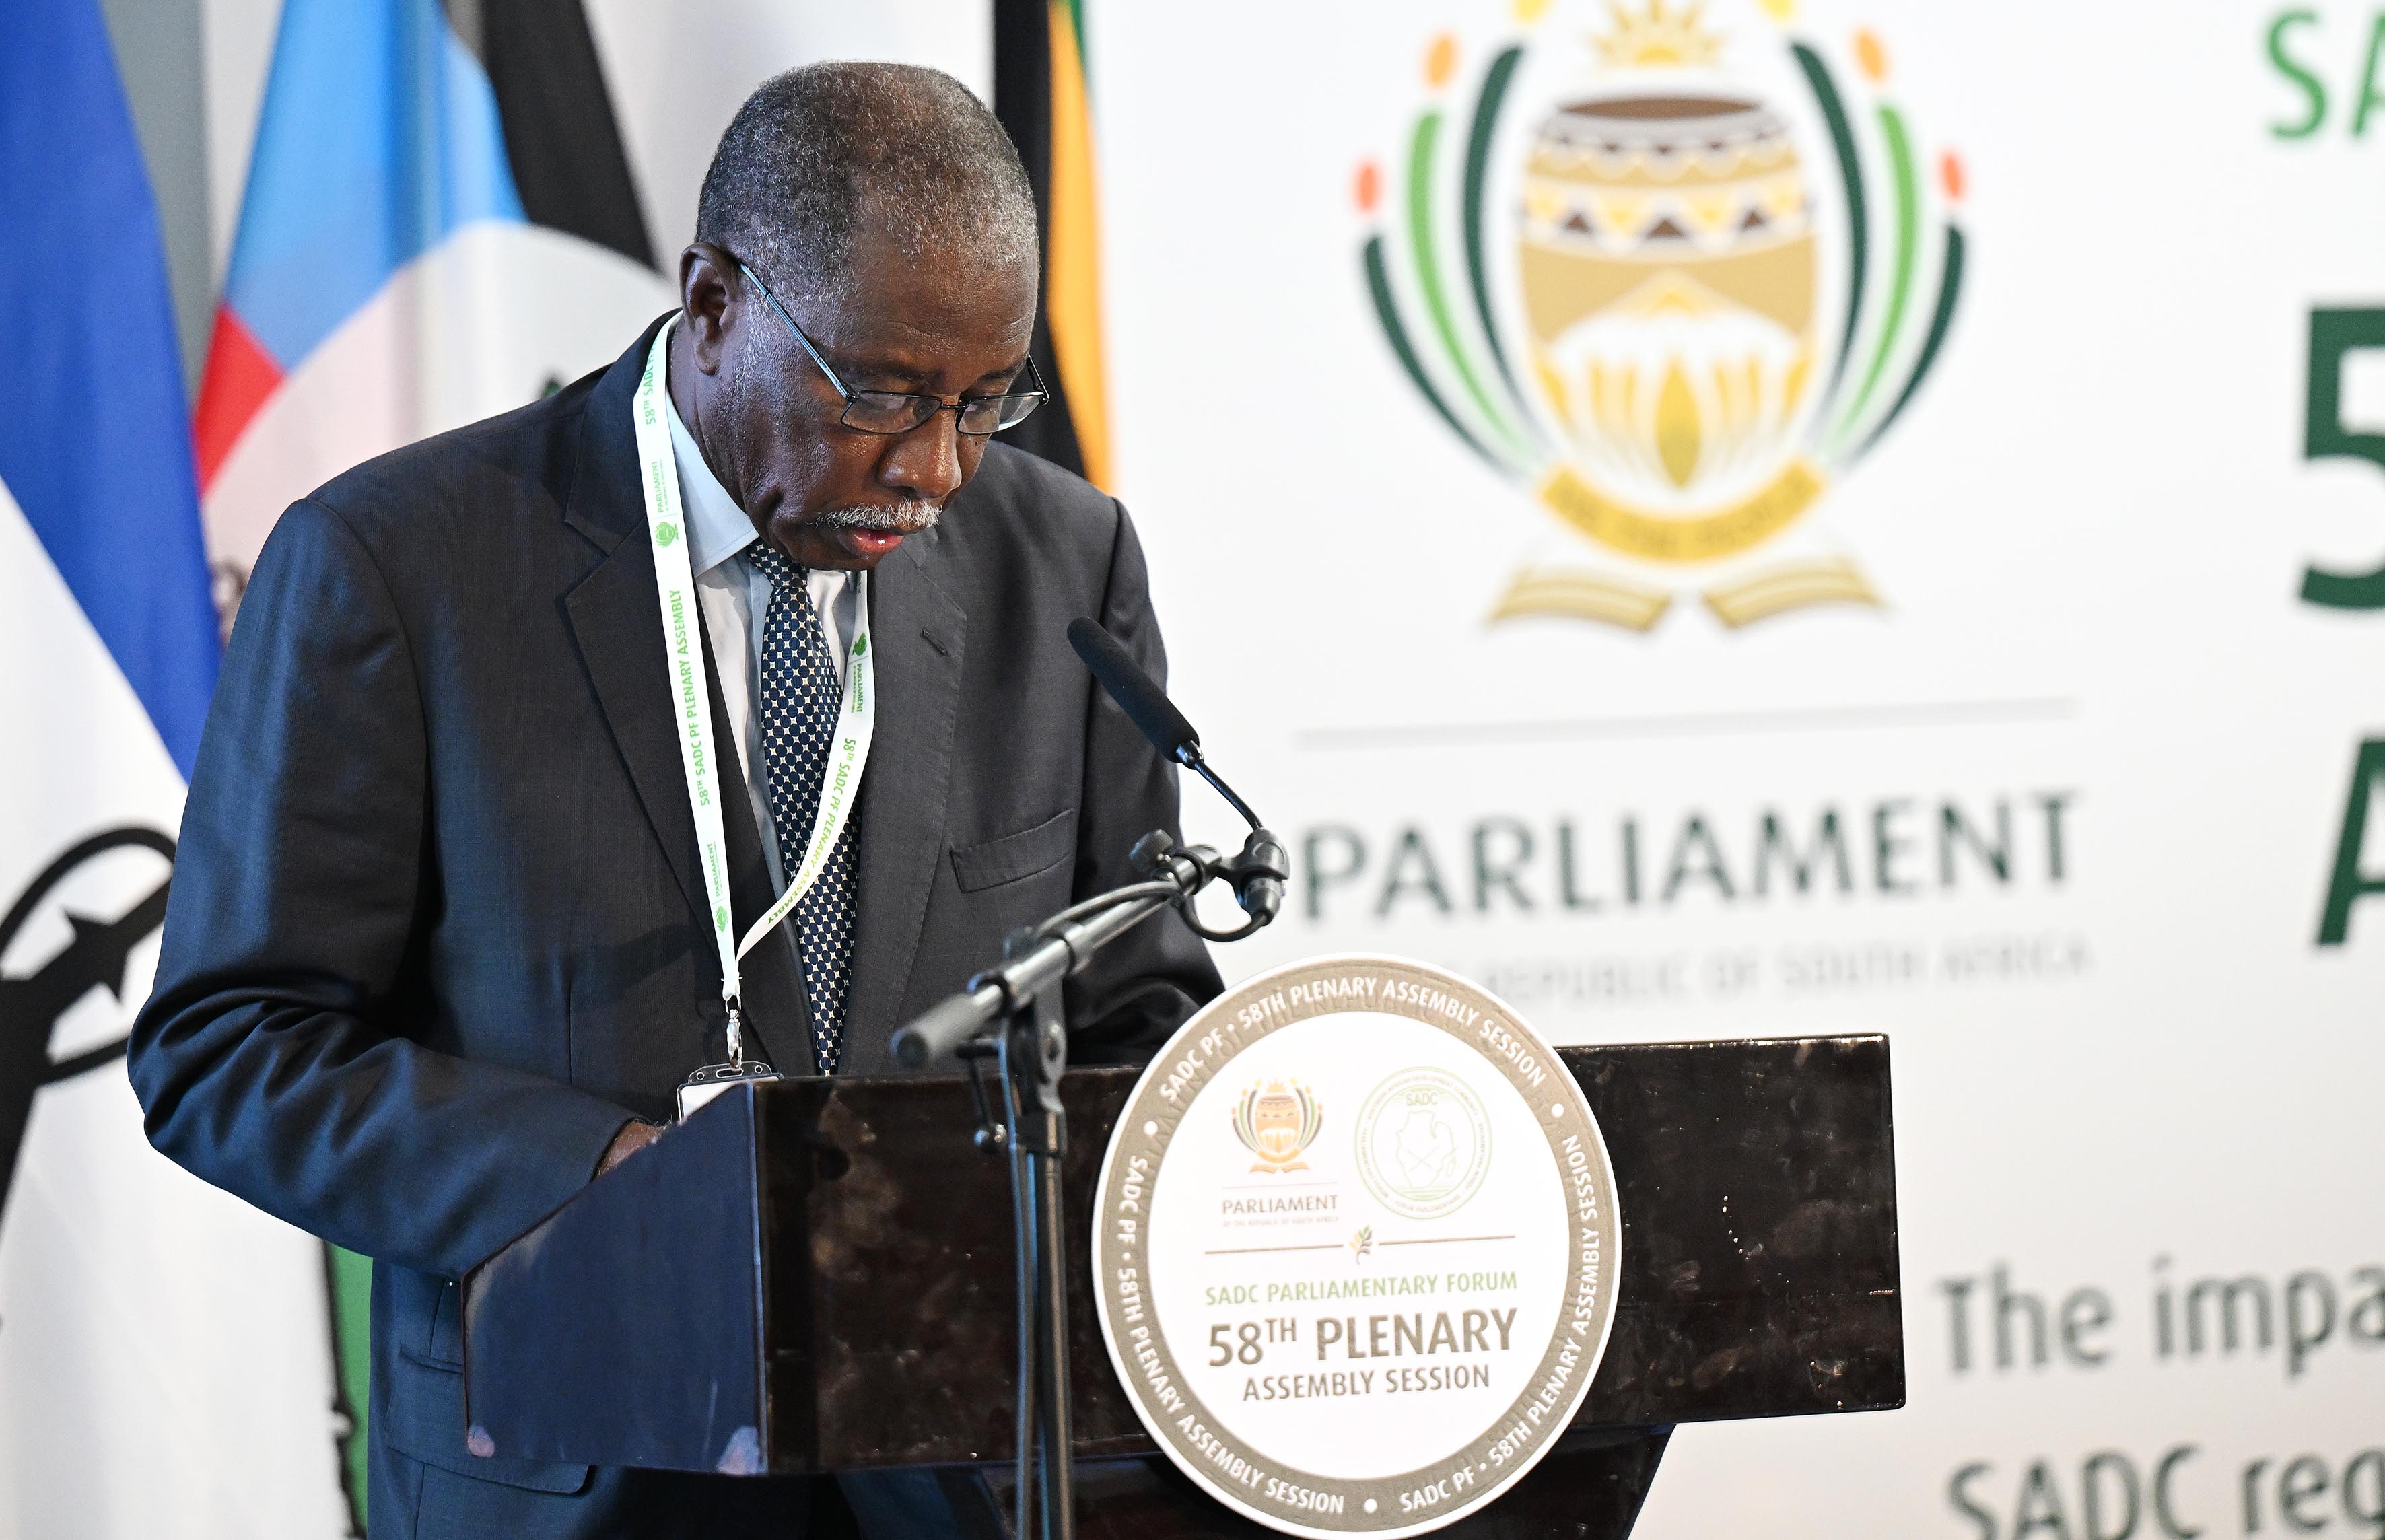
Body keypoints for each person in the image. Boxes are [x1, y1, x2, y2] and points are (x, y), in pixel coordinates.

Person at [129, 62, 1218, 1539]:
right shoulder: (398, 565)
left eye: (984, 402)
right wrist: (615, 1183)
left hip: (964, 1475)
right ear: (713, 304)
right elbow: (230, 1043)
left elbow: (1136, 1009)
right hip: (571, 1464)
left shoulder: (1066, 562)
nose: (935, 470)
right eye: (884, 395)